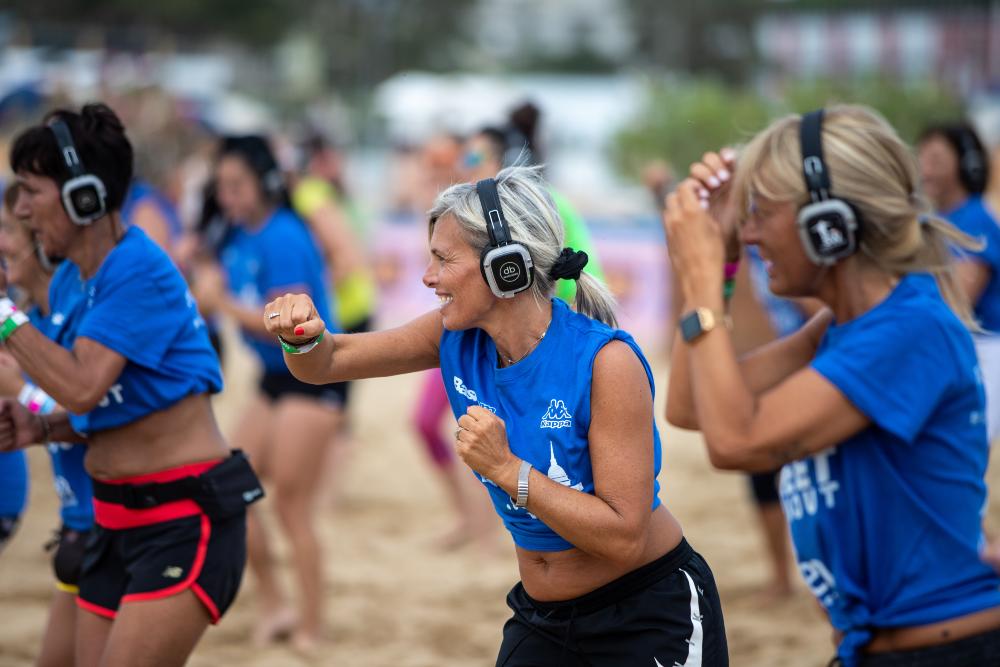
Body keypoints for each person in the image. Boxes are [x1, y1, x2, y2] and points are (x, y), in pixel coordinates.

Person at [264, 165, 729, 666]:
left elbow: (624, 537)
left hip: (648, 612)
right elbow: (328, 362)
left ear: (506, 267)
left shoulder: (605, 362)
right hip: (544, 618)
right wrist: (303, 336)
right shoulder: (454, 336)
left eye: (442, 259)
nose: (427, 276)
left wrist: (509, 471)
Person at [664, 105, 1000, 666]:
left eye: (762, 215)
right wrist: (718, 267)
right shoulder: (841, 330)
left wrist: (699, 284)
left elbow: (736, 443)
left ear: (829, 223)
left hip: (946, 650)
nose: (748, 234)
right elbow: (690, 406)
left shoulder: (911, 329)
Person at [1, 103, 261, 667]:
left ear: (83, 196)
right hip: (114, 520)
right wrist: (41, 428)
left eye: (30, 191)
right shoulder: (73, 276)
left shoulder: (135, 268)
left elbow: (84, 385)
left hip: (182, 520)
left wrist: (2, 314)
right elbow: (122, 408)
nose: (20, 210)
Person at [193, 134, 340, 649]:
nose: (227, 195)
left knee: (291, 507)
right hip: (271, 381)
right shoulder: (236, 231)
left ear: (264, 183)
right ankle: (275, 604)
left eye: (237, 185)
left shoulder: (282, 235)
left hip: (314, 375)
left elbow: (283, 324)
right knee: (232, 491)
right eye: (222, 186)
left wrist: (221, 302)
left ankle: (312, 626)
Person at [0, 181, 95, 667]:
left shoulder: (76, 311)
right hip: (77, 526)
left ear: (41, 238)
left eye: (5, 231)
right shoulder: (30, 318)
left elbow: (93, 410)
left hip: (112, 529)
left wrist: (20, 391)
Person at [917, 123, 1000, 441]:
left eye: (936, 160)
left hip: (983, 350)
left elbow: (958, 301)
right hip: (952, 349)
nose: (926, 170)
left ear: (967, 164)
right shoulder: (933, 221)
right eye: (922, 159)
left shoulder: (975, 219)